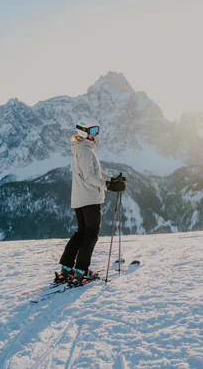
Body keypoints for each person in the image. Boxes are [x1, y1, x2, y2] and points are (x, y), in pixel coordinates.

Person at [57, 118, 127, 285]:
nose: (97, 134)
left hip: (80, 198)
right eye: (93, 131)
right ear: (83, 132)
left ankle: (66, 267)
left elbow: (96, 172)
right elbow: (90, 177)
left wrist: (112, 179)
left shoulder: (82, 149)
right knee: (91, 233)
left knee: (82, 233)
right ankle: (81, 270)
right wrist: (108, 186)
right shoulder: (85, 151)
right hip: (89, 198)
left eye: (97, 130)